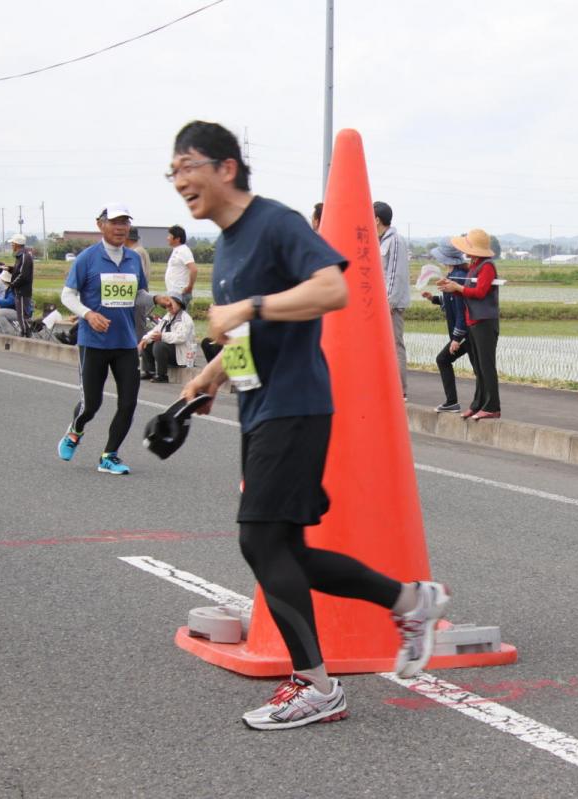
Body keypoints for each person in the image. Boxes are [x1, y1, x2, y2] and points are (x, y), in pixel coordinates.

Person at [170, 120, 450, 730]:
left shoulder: (275, 222)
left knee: (259, 541)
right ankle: (412, 601)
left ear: (226, 167)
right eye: (173, 171)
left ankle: (317, 686)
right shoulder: (230, 245)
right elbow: (250, 332)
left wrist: (248, 306)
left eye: (189, 165)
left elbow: (331, 289)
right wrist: (211, 378)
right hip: (260, 408)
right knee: (288, 549)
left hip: (295, 406)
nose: (180, 181)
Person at [57, 203, 149, 475]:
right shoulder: (87, 258)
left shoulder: (133, 259)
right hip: (94, 342)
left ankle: (109, 455)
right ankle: (75, 430)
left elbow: (138, 295)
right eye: (116, 222)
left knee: (129, 402)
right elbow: (68, 295)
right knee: (92, 404)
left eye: (125, 223)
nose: (121, 228)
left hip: (125, 342)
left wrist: (158, 298)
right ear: (101, 225)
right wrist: (88, 314)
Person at [438, 229, 500, 419]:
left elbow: (480, 292)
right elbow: (467, 293)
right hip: (473, 321)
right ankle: (478, 403)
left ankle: (492, 406)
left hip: (484, 323)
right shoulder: (475, 265)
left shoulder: (487, 266)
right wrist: (452, 289)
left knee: (486, 365)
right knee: (479, 366)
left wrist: (458, 287)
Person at [421, 243, 469, 412]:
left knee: (443, 359)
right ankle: (456, 402)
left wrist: (457, 338)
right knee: (478, 368)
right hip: (466, 333)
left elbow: (462, 308)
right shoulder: (453, 275)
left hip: (466, 334)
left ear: (445, 258)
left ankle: (453, 402)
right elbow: (450, 302)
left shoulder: (458, 277)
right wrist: (433, 298)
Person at [373, 201, 409, 398]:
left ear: (377, 219)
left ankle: (399, 391)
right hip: (383, 304)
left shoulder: (394, 241)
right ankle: (386, 386)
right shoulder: (381, 241)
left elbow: (395, 275)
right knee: (383, 347)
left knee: (395, 345)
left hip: (391, 305)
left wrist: (389, 303)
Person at [138, 294, 197, 382]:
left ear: (179, 304)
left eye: (171, 305)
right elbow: (156, 330)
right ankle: (149, 371)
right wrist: (145, 339)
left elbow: (181, 337)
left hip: (182, 354)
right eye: (166, 306)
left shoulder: (185, 319)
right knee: (147, 343)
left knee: (159, 345)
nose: (168, 308)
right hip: (171, 351)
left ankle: (162, 375)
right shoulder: (168, 316)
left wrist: (162, 336)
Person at [7, 233, 34, 337]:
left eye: (12, 244)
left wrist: (12, 284)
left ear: (17, 244)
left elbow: (23, 275)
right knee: (21, 314)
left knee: (22, 315)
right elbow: (19, 271)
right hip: (20, 290)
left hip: (22, 290)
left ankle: (25, 334)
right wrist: (10, 269)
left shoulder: (24, 256)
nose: (11, 246)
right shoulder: (21, 256)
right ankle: (25, 333)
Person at [165, 225, 197, 308]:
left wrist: (189, 287)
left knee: (179, 319)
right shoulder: (176, 250)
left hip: (179, 293)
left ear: (177, 239)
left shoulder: (184, 250)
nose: (167, 238)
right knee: (174, 319)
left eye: (170, 236)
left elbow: (194, 270)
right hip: (173, 292)